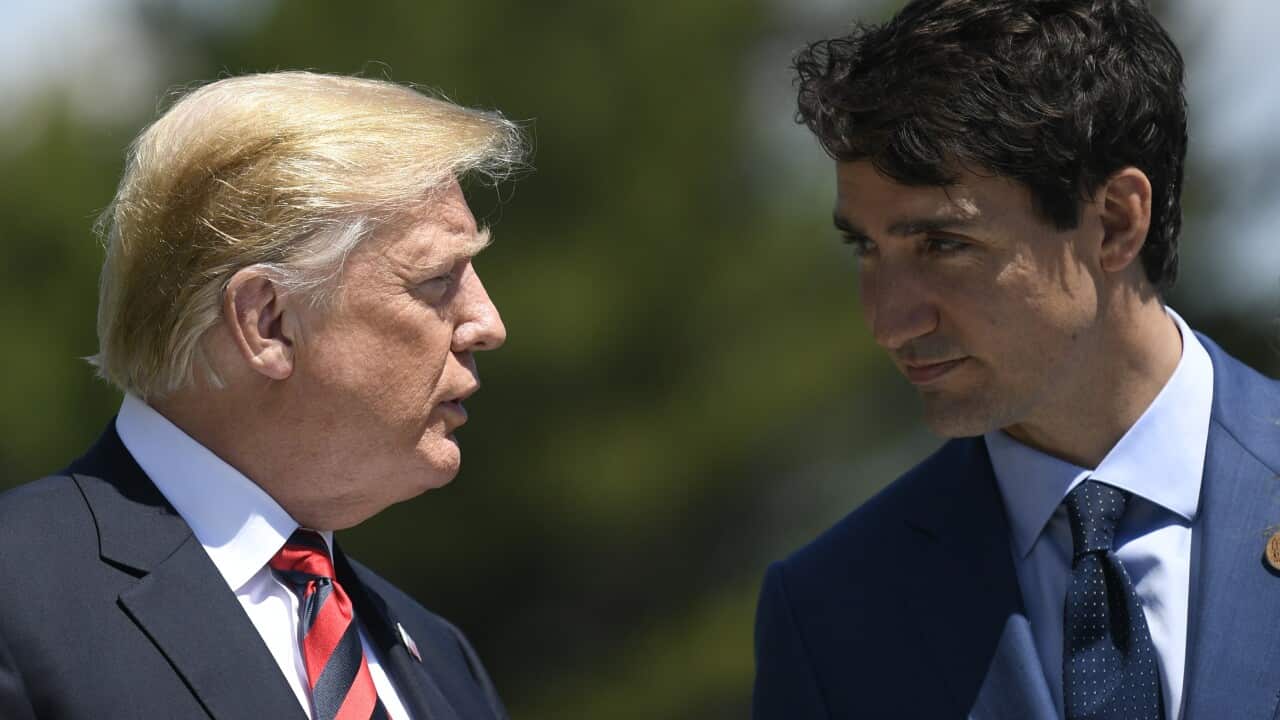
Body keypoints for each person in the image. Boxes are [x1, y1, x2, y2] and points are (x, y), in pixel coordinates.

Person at [753, 1, 1280, 718]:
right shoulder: (829, 612)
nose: (887, 321)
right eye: (867, 247)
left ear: (1118, 222)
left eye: (944, 245)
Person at [0, 71, 524, 720]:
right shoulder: (18, 598)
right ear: (268, 321)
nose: (488, 323)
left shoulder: (443, 660)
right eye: (437, 279)